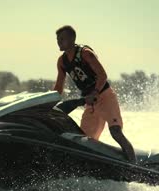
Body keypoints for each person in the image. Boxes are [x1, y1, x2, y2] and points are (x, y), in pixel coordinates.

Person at [52, 25, 137, 163]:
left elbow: (102, 75)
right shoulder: (62, 61)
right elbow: (58, 87)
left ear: (72, 39)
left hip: (105, 96)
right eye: (57, 39)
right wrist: (48, 101)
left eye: (62, 39)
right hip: (90, 102)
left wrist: (95, 92)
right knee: (84, 139)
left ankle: (135, 167)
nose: (59, 42)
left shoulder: (85, 53)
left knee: (116, 132)